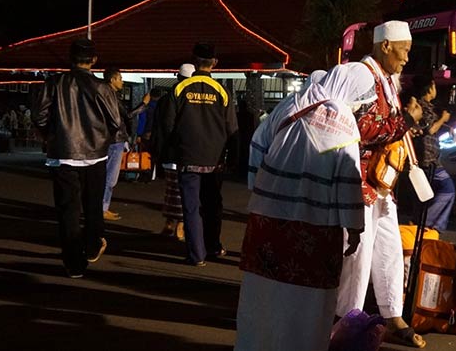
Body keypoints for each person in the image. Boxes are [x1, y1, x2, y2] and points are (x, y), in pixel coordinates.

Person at [234, 62, 376, 351]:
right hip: (314, 227)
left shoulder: (291, 104)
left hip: (267, 220)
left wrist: (261, 188)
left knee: (263, 296)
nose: (360, 105)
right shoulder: (344, 120)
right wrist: (355, 226)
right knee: (308, 304)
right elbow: (348, 180)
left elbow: (258, 144)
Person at [335, 20, 426, 349]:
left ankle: (391, 315)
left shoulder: (386, 79)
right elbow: (361, 129)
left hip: (381, 184)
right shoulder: (363, 76)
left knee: (388, 250)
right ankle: (348, 322)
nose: (406, 59)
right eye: (403, 51)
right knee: (358, 256)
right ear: (385, 46)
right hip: (361, 182)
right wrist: (406, 120)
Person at [32, 38, 121, 278]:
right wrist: (102, 137)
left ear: (70, 59)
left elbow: (39, 115)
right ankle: (92, 246)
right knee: (93, 205)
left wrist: (51, 135)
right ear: (93, 60)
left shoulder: (54, 83)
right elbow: (115, 121)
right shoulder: (102, 87)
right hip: (96, 154)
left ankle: (73, 263)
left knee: (68, 209)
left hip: (63, 154)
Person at [159, 42, 238, 266]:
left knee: (191, 207)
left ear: (194, 61)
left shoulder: (179, 89)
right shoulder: (222, 91)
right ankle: (212, 246)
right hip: (215, 160)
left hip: (188, 157)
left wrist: (171, 153)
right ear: (215, 63)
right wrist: (233, 157)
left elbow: (168, 126)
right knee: (213, 206)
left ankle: (196, 254)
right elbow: (232, 128)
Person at [151, 63, 195, 240]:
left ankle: (169, 223)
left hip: (168, 152)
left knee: (171, 190)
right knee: (185, 191)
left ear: (177, 77)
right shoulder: (191, 98)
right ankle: (181, 225)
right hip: (186, 152)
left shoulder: (165, 99)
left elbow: (158, 128)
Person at [406, 74, 455, 232]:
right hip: (427, 158)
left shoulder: (426, 106)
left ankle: (417, 227)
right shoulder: (422, 107)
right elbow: (429, 129)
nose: (436, 90)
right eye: (434, 86)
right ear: (429, 88)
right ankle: (427, 224)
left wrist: (447, 127)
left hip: (424, 158)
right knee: (448, 189)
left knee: (423, 195)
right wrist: (443, 120)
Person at [101, 68, 150, 221]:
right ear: (112, 80)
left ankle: (104, 207)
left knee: (109, 176)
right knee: (110, 177)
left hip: (110, 139)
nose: (122, 81)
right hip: (115, 140)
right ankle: (103, 208)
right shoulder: (112, 97)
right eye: (120, 78)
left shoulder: (106, 95)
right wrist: (143, 104)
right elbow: (128, 115)